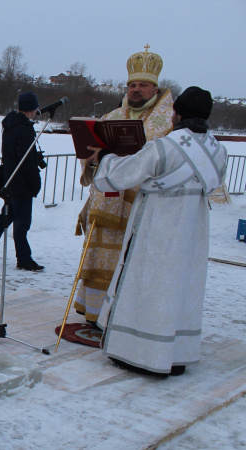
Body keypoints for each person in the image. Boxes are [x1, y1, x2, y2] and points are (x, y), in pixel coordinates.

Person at [87, 87, 226, 376]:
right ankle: (175, 356)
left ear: (176, 114)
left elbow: (122, 175)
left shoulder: (166, 146)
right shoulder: (218, 151)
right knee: (181, 289)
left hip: (157, 230)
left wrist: (106, 158)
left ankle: (139, 354)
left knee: (148, 287)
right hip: (192, 235)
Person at [73, 47, 174, 326]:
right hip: (106, 201)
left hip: (138, 205)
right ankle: (94, 314)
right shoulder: (111, 116)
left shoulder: (168, 121)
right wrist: (91, 159)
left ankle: (123, 317)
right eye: (132, 85)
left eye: (142, 85)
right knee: (98, 257)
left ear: (155, 87)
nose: (136, 89)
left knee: (129, 262)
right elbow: (90, 157)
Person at [0, 91, 44, 272]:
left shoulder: (10, 125)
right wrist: (35, 182)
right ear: (32, 109)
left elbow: (13, 154)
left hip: (10, 178)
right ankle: (23, 259)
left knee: (6, 217)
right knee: (22, 223)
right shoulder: (23, 129)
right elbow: (25, 161)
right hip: (21, 183)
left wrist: (34, 156)